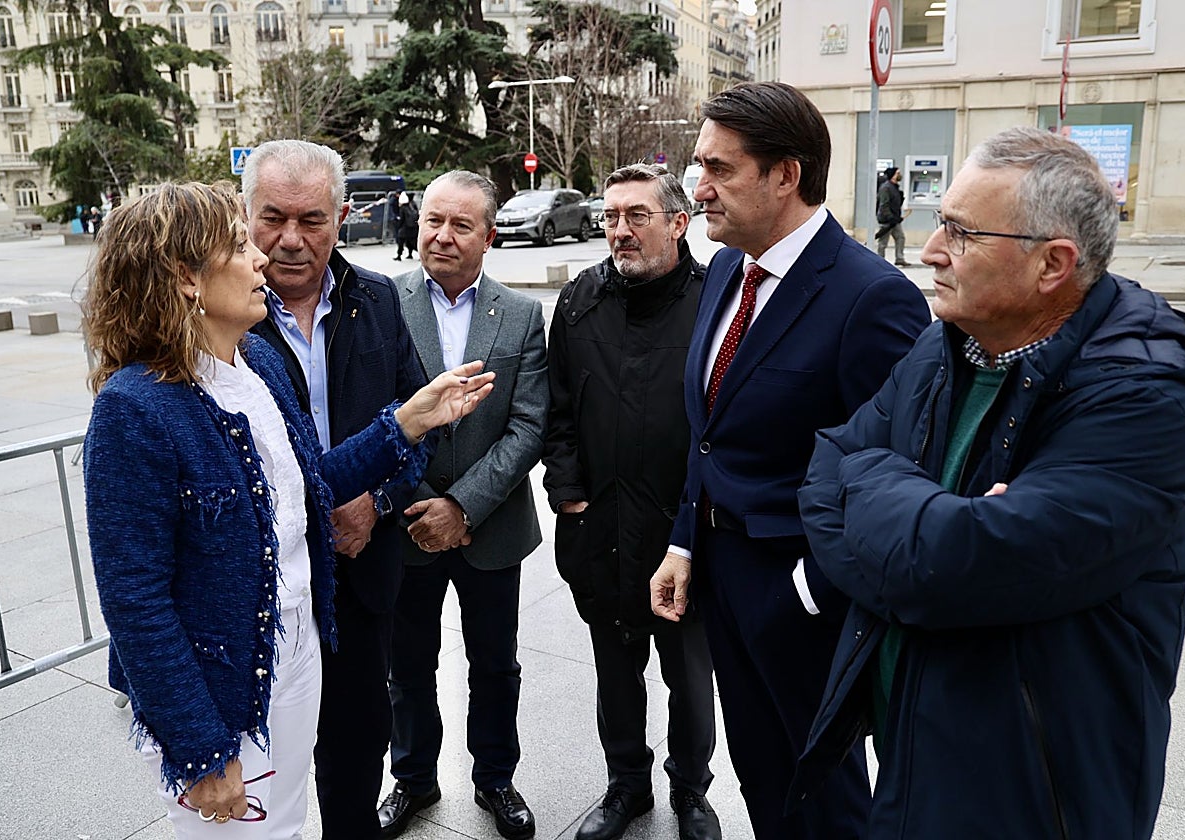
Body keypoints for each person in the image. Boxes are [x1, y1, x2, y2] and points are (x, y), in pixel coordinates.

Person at [795, 126, 1185, 839]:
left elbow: (957, 563)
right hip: (912, 753)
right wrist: (926, 522)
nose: (929, 249)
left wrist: (894, 512)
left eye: (961, 231)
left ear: (1053, 265)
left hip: (1036, 793)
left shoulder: (1145, 399)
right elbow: (827, 463)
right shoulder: (947, 341)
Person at [82, 181, 495, 838]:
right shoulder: (134, 412)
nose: (260, 260)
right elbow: (136, 603)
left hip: (299, 658)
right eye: (240, 245)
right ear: (187, 279)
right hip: (222, 694)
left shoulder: (260, 366)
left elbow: (310, 488)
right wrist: (199, 750)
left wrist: (407, 422)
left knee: (290, 822)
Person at [647, 81, 930, 840]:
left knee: (826, 798)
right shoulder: (724, 275)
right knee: (764, 779)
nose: (697, 188)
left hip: (806, 597)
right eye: (697, 165)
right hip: (720, 578)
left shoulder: (873, 298)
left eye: (719, 169)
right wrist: (684, 540)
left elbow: (896, 476)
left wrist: (810, 591)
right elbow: (709, 435)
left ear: (786, 174)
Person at [242, 139, 430, 840]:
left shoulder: (377, 300)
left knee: (357, 750)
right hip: (269, 592)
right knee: (272, 770)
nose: (291, 240)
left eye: (312, 219)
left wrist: (375, 506)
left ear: (343, 216)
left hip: (361, 576)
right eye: (273, 218)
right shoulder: (223, 317)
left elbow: (420, 427)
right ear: (244, 213)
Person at [542, 164, 719, 840]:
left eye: (636, 215)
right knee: (617, 674)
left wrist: (698, 525)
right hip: (600, 528)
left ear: (678, 222)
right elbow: (556, 410)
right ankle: (626, 788)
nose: (620, 230)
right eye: (611, 215)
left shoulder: (714, 301)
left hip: (684, 536)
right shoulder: (581, 299)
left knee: (688, 676)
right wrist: (568, 495)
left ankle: (692, 793)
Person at [377, 170, 548, 840]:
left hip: (491, 528)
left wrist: (464, 507)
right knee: (408, 668)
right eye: (432, 222)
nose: (442, 236)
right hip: (408, 526)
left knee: (495, 666)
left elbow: (529, 425)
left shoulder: (522, 314)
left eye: (460, 225)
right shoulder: (384, 304)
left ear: (489, 235)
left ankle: (496, 781)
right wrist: (422, 505)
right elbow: (374, 418)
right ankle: (412, 780)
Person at [875, 166, 910, 267]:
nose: (900, 175)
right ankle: (880, 260)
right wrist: (890, 217)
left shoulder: (894, 187)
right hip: (887, 220)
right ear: (893, 175)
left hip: (895, 219)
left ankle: (899, 258)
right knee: (883, 242)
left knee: (900, 238)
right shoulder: (886, 188)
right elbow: (884, 204)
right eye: (898, 173)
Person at [393, 192, 419, 261]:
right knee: (412, 242)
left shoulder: (403, 208)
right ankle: (413, 254)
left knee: (401, 241)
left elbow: (402, 219)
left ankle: (399, 255)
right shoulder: (412, 205)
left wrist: (399, 226)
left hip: (405, 228)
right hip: (413, 227)